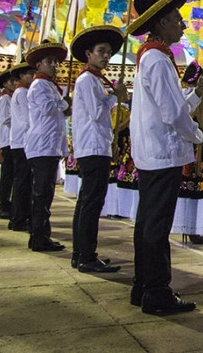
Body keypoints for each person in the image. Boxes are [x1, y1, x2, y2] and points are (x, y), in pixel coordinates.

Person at [127, 0, 203, 315]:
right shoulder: (158, 60)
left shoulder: (154, 58)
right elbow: (174, 115)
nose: (183, 25)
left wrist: (198, 95)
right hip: (162, 154)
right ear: (161, 23)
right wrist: (198, 136)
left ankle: (143, 285)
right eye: (177, 19)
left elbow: (174, 107)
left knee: (148, 221)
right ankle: (157, 291)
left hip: (155, 152)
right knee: (156, 226)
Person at [70, 25, 127, 271]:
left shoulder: (93, 79)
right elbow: (96, 112)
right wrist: (117, 96)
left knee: (87, 201)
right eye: (101, 51)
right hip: (93, 147)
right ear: (88, 53)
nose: (106, 56)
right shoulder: (88, 80)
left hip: (95, 146)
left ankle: (80, 252)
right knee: (91, 203)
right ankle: (87, 255)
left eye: (109, 52)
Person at [24, 42, 71, 252]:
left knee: (46, 194)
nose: (55, 65)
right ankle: (38, 237)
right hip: (42, 145)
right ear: (39, 64)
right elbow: (48, 108)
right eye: (50, 61)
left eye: (56, 62)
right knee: (42, 194)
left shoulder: (50, 85)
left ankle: (43, 234)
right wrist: (65, 104)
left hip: (50, 146)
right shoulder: (39, 85)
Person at [172, 61, 203, 245]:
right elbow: (197, 120)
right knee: (196, 187)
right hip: (197, 148)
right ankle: (194, 228)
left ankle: (190, 227)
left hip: (197, 147)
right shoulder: (190, 97)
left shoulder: (185, 95)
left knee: (191, 188)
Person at [9, 62, 35, 232]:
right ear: (21, 76)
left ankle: (18, 217)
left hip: (21, 141)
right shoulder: (22, 92)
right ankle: (19, 218)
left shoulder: (22, 92)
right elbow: (29, 117)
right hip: (22, 142)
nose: (33, 77)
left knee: (23, 182)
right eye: (30, 74)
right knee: (22, 182)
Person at [0, 66, 15, 219]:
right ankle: (4, 205)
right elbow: (5, 119)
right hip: (7, 140)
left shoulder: (10, 97)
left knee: (12, 175)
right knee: (7, 175)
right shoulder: (5, 99)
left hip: (12, 140)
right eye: (11, 82)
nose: (14, 84)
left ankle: (8, 204)